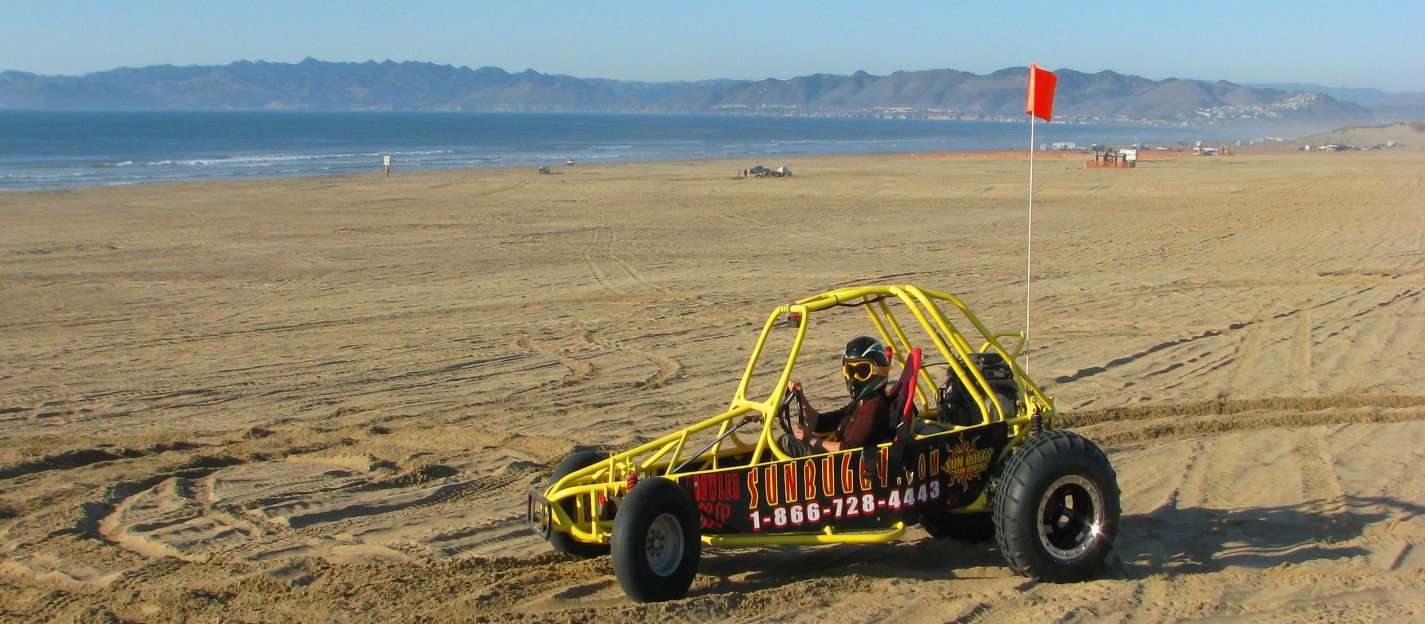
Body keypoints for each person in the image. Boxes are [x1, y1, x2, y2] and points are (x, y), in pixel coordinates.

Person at [781, 336, 895, 456]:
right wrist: (801, 398)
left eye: (862, 371)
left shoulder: (873, 405)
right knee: (786, 442)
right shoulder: (859, 404)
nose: (854, 377)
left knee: (786, 443)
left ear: (878, 371)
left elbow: (849, 448)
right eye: (851, 371)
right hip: (836, 459)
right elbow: (819, 423)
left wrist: (812, 440)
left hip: (846, 464)